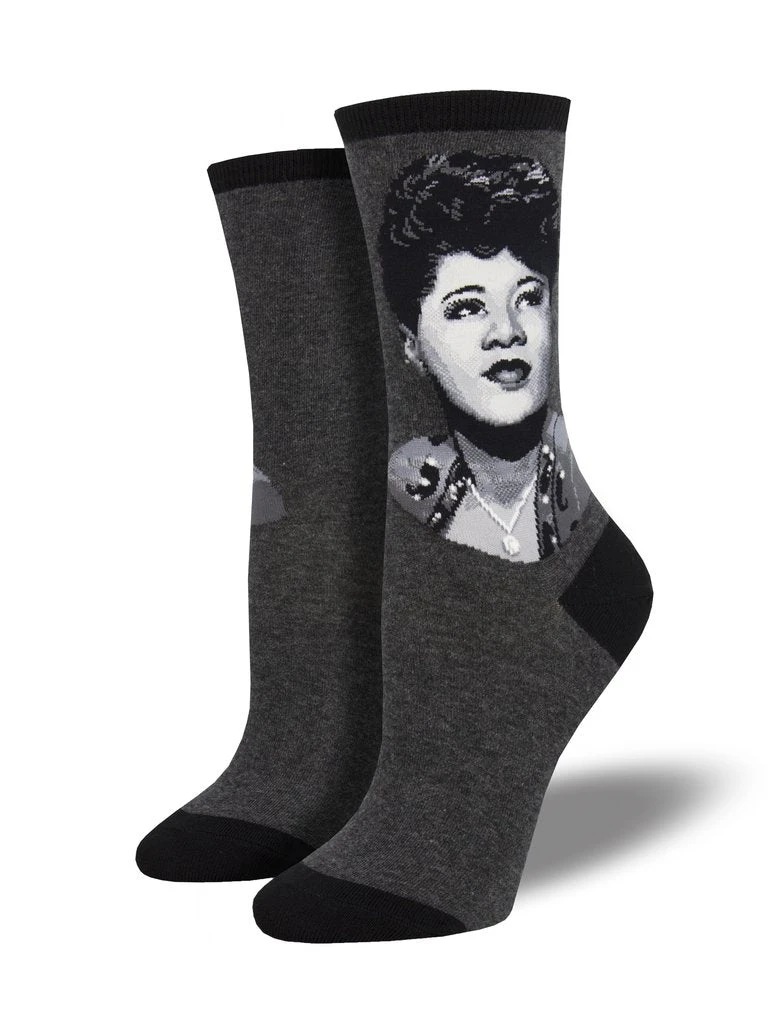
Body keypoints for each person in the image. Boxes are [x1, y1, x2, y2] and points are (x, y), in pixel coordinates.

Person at [380, 152, 590, 562]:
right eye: (467, 308)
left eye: (528, 297)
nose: (508, 331)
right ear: (412, 344)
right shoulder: (413, 490)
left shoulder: (577, 476)